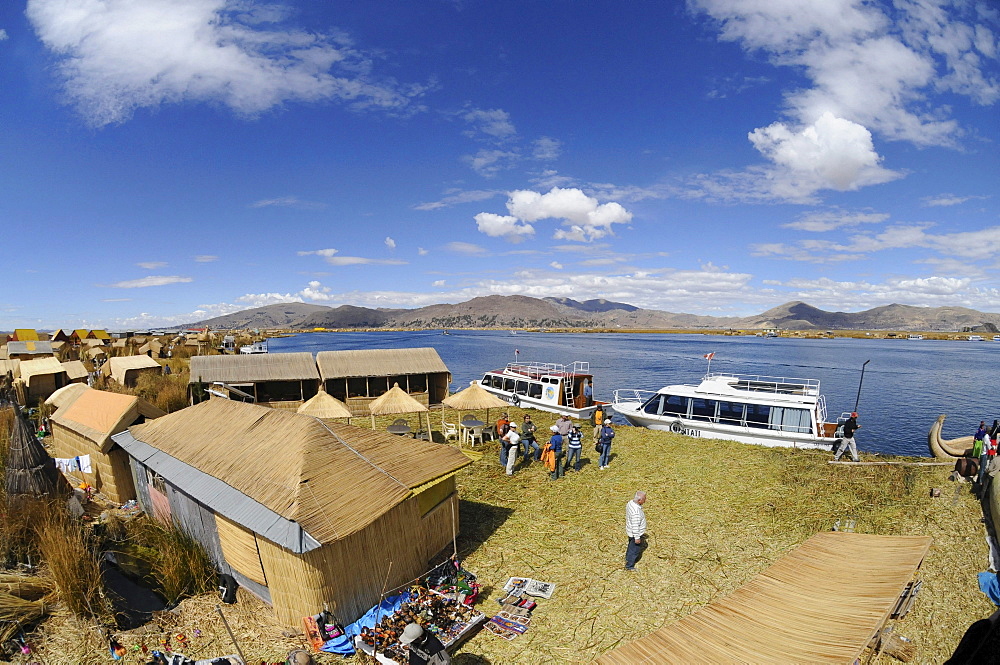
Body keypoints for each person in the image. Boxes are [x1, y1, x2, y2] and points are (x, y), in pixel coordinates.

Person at [625, 491, 647, 571]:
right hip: (635, 534)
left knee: (631, 547)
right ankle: (629, 566)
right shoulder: (636, 513)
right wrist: (637, 538)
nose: (645, 500)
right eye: (644, 499)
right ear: (639, 500)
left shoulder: (630, 503)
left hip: (630, 531)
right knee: (634, 550)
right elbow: (635, 526)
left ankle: (628, 558)